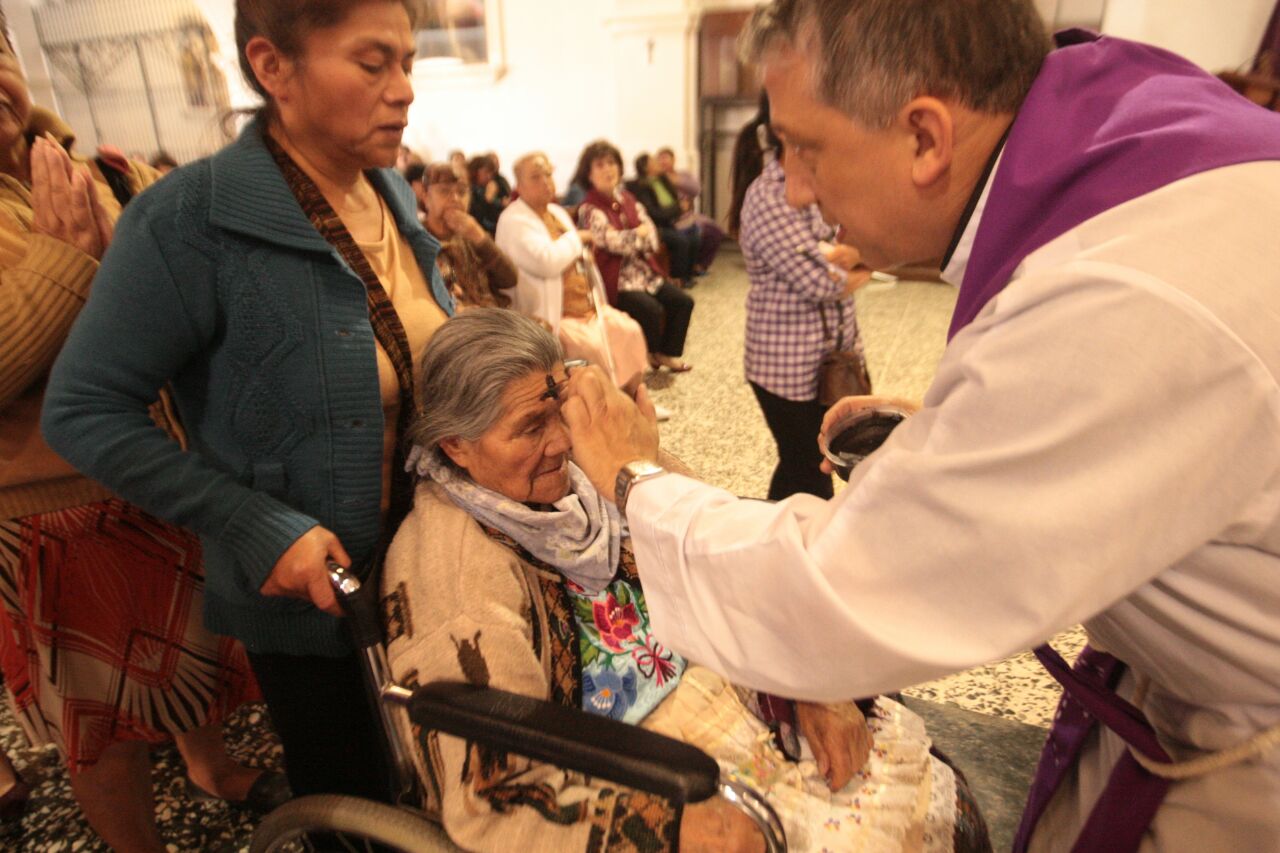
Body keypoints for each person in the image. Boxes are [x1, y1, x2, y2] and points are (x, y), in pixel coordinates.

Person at [560, 1, 1280, 850]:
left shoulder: (1118, 300)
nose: (792, 186)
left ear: (925, 138)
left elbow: (845, 591)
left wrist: (637, 480)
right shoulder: (1123, 133)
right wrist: (954, 427)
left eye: (804, 147)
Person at [42, 0, 452, 806]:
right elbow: (83, 409)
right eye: (373, 64)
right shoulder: (190, 221)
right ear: (273, 68)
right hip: (318, 604)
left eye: (409, 62)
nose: (404, 89)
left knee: (440, 780)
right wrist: (255, 525)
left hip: (430, 570)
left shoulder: (388, 195)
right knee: (357, 799)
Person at [383, 309, 990, 853]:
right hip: (624, 775)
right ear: (455, 446)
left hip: (726, 702)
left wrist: (808, 683)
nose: (563, 443)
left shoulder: (596, 465)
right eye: (529, 427)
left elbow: (730, 555)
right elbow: (494, 790)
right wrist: (663, 828)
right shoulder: (454, 570)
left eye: (561, 414)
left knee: (941, 813)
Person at [0, 24, 276, 851]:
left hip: (162, 465)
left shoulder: (97, 164)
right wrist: (69, 258)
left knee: (193, 660)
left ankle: (211, 764)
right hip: (60, 505)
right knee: (105, 720)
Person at [726, 95, 870, 501]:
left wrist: (856, 257)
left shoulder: (825, 181)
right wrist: (864, 261)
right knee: (808, 466)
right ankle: (793, 551)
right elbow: (822, 282)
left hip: (829, 356)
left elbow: (860, 241)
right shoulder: (770, 195)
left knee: (802, 462)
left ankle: (772, 540)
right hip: (785, 367)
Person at [495, 152, 650, 395]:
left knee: (628, 330)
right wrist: (577, 237)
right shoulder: (513, 219)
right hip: (554, 314)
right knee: (591, 346)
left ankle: (633, 396)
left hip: (586, 307)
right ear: (519, 185)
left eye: (548, 173)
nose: (546, 181)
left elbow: (580, 255)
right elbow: (547, 262)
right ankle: (604, 410)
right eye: (536, 176)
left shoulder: (556, 212)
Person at [574, 140, 695, 373]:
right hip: (617, 278)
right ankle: (647, 354)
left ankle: (665, 353)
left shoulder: (628, 198)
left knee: (683, 301)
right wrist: (635, 235)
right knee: (651, 309)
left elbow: (651, 236)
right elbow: (611, 242)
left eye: (611, 163)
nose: (608, 169)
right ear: (589, 174)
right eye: (599, 165)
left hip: (644, 272)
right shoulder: (589, 208)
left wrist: (634, 236)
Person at [412, 161, 517, 309]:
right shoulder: (416, 241)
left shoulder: (470, 233)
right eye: (444, 191)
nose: (455, 199)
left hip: (492, 318)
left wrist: (480, 238)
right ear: (425, 196)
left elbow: (509, 280)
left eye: (462, 192)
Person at [626, 152, 700, 286]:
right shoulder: (642, 187)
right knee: (681, 241)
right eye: (653, 162)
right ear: (646, 168)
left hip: (673, 219)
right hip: (657, 225)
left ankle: (689, 274)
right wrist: (678, 209)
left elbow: (676, 198)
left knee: (695, 235)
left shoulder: (662, 179)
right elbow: (654, 213)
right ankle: (678, 278)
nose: (657, 163)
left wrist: (679, 208)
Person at [655, 146, 724, 275]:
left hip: (690, 214)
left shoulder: (683, 175)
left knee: (716, 231)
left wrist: (675, 181)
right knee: (697, 231)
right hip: (674, 217)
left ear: (673, 159)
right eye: (660, 159)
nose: (663, 161)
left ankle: (700, 265)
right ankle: (690, 267)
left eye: (666, 158)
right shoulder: (657, 180)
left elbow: (696, 189)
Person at [467, 153, 507, 235]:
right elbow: (479, 218)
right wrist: (488, 200)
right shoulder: (469, 190)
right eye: (486, 172)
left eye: (491, 174)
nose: (489, 177)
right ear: (475, 171)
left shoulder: (487, 187)